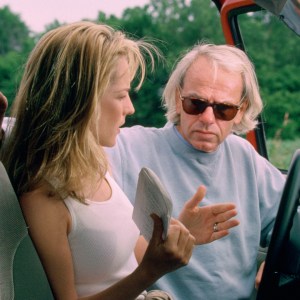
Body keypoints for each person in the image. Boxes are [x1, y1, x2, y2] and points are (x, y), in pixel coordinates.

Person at [0, 23, 240, 300]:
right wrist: (148, 274)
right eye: (121, 95)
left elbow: (120, 256)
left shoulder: (96, 163)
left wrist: (178, 235)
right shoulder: (44, 198)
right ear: (83, 102)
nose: (130, 108)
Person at [105, 43, 286, 299]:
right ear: (179, 99)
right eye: (196, 104)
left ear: (241, 110)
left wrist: (283, 260)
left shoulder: (245, 157)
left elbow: (289, 218)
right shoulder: (124, 147)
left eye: (224, 109)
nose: (208, 119)